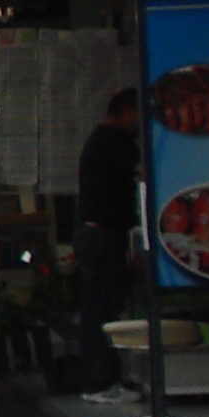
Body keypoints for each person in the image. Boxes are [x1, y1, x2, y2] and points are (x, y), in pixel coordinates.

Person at [72, 87, 143, 393]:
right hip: (101, 233)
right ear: (127, 110)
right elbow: (144, 171)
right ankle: (101, 380)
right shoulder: (112, 141)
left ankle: (105, 375)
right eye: (140, 114)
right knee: (101, 305)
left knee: (101, 304)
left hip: (100, 231)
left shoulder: (107, 140)